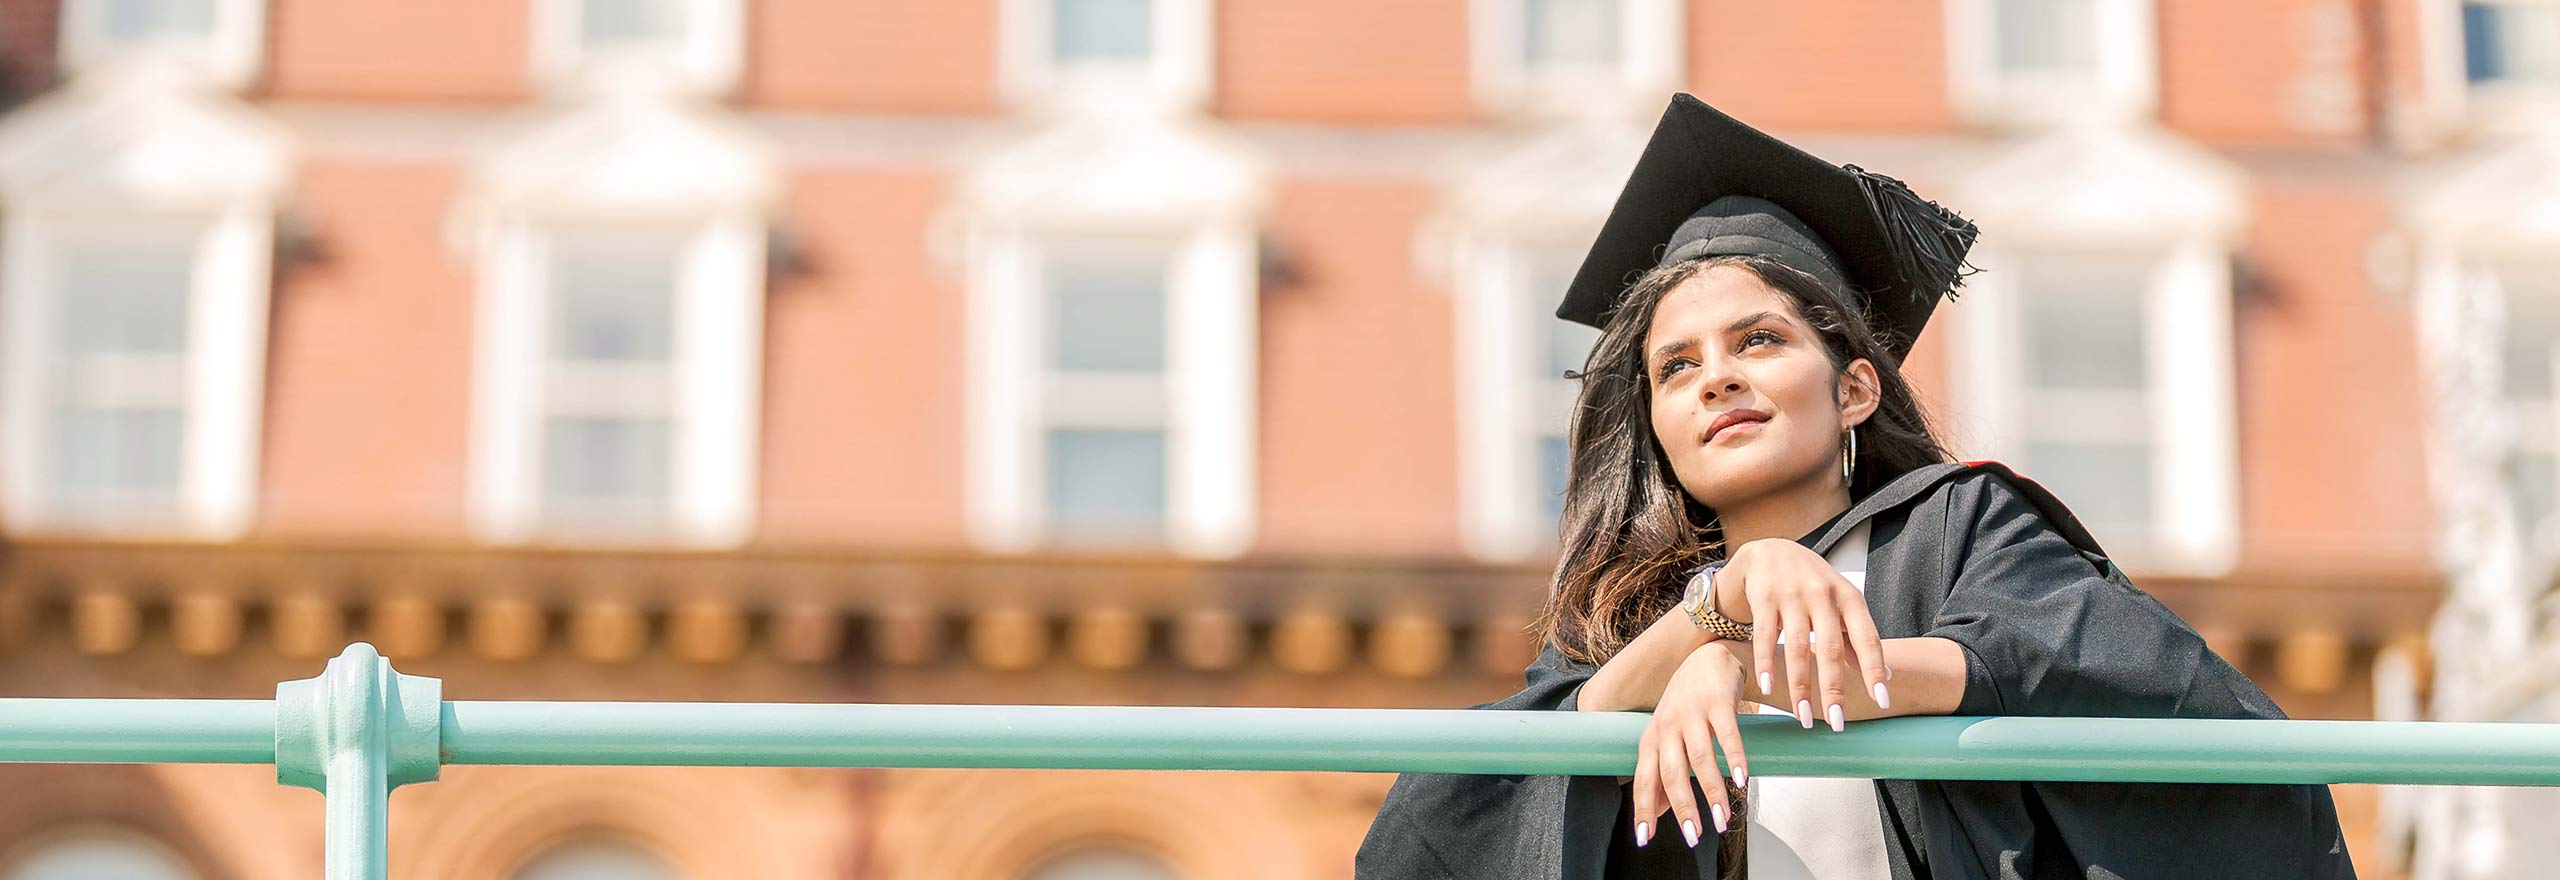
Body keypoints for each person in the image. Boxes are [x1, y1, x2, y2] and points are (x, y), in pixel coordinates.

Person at [1353, 94, 2353, 879]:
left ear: (1855, 387)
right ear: (1657, 426)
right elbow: (1438, 824)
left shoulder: (1963, 528)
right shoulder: (1625, 616)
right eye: (1676, 367)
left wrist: (1746, 670)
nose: (1717, 377)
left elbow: (2109, 681)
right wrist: (1709, 618)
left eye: (1758, 340)